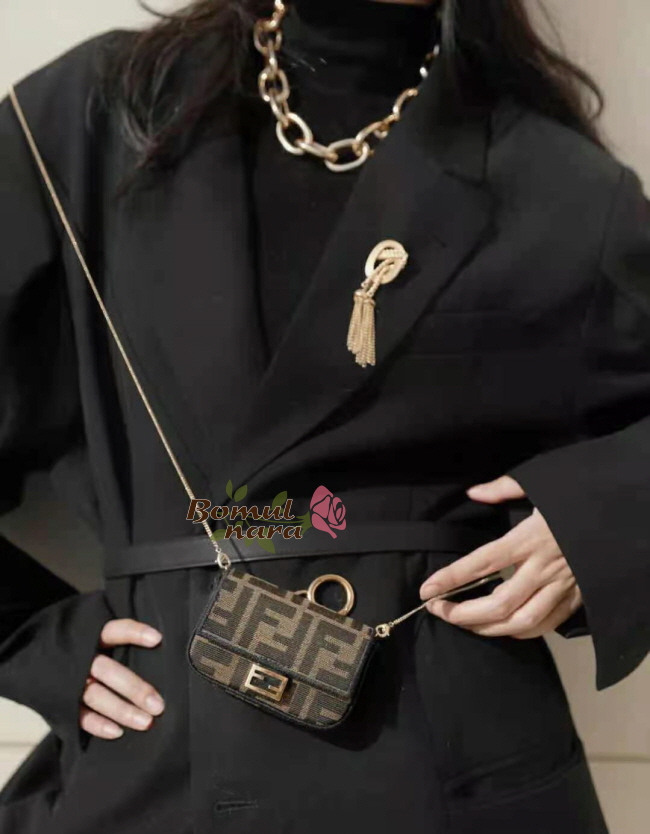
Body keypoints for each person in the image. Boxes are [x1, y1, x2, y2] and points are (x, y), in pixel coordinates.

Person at [0, 0, 649, 831]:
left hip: (443, 772)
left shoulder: (555, 181)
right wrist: (34, 643)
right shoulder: (97, 115)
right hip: (153, 752)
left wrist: (603, 517)